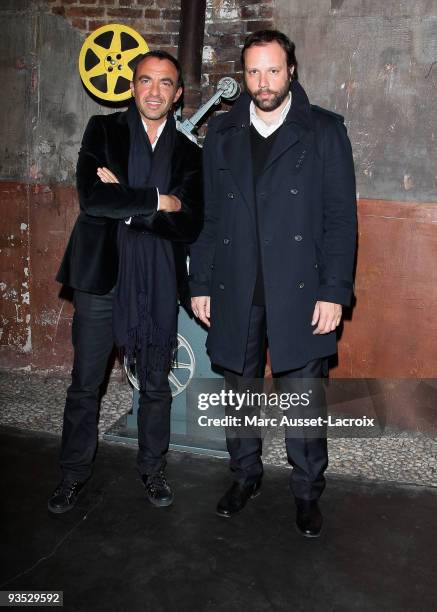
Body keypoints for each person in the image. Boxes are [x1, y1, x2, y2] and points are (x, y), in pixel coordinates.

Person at [190, 30, 357, 537]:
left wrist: (334, 291)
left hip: (302, 292)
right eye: (254, 71)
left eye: (273, 70)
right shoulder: (221, 133)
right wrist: (200, 282)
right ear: (244, 76)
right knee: (238, 394)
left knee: (303, 400)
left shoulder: (324, 130)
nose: (263, 82)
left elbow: (339, 220)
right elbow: (210, 217)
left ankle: (307, 492)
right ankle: (245, 476)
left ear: (292, 72)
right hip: (237, 288)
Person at [48, 50, 203, 514]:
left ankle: (153, 469)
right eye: (145, 81)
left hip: (156, 281)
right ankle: (73, 474)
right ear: (133, 86)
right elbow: (93, 198)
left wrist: (130, 204)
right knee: (85, 383)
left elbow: (190, 223)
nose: (154, 91)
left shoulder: (191, 151)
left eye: (165, 84)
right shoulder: (104, 130)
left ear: (177, 94)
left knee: (156, 383)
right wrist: (160, 200)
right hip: (101, 277)